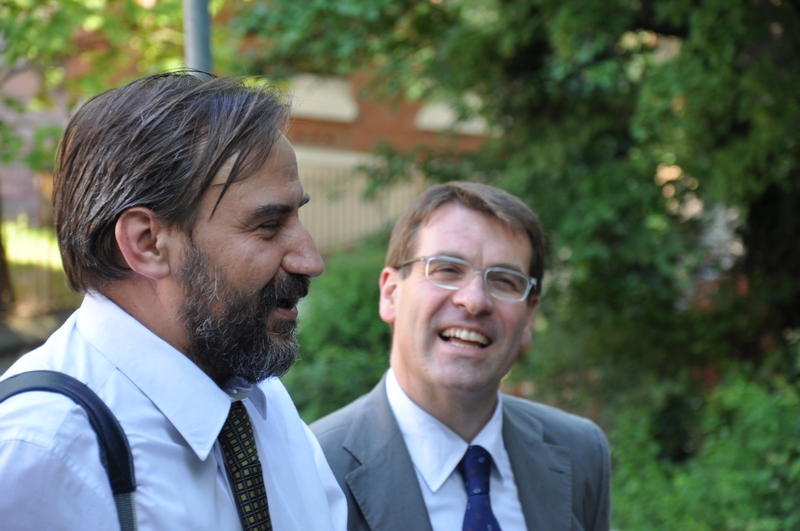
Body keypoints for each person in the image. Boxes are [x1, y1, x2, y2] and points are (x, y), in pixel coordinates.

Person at [0, 71, 347, 530]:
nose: (310, 259)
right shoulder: (42, 447)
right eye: (267, 225)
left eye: (296, 216)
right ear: (147, 243)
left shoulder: (259, 400)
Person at [311, 182, 611, 531]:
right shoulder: (314, 468)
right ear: (391, 294)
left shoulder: (580, 452)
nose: (475, 300)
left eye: (504, 280)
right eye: (447, 270)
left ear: (529, 316)